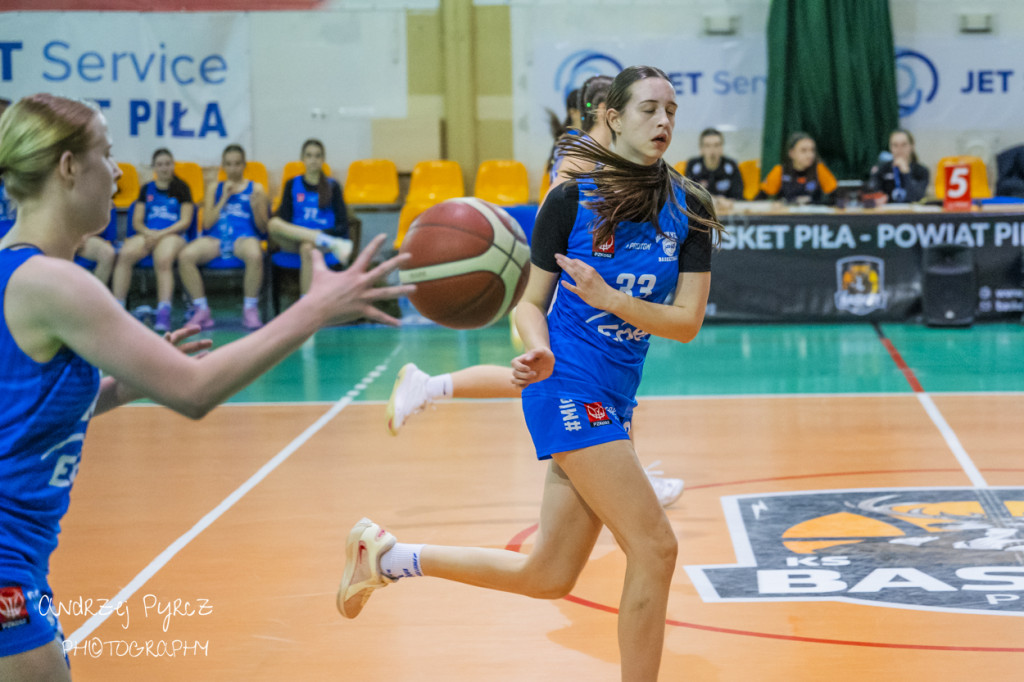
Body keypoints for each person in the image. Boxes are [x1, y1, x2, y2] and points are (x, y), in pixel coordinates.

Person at [0, 93, 411, 681]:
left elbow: (24, 411)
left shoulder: (14, 268)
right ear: (68, 167)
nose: (119, 173)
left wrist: (128, 384)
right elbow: (194, 392)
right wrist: (314, 311)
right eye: (107, 154)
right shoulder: (56, 283)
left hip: (23, 562)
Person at [341, 66, 722, 682]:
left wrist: (612, 299)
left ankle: (390, 558)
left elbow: (686, 322)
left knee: (547, 574)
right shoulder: (569, 198)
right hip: (567, 383)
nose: (664, 122)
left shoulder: (692, 207)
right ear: (614, 118)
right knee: (655, 547)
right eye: (649, 109)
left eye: (672, 110)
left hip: (618, 393)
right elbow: (528, 302)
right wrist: (536, 344)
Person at [386, 74, 685, 507]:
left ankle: (430, 385)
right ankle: (633, 480)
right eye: (642, 108)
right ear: (609, 114)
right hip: (566, 298)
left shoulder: (592, 152)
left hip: (574, 295)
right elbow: (562, 213)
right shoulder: (581, 159)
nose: (655, 118)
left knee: (548, 382)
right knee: (576, 384)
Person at [177, 144, 268, 330]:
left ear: (244, 165)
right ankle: (201, 310)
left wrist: (256, 207)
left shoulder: (256, 188)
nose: (233, 169)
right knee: (185, 256)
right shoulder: (214, 188)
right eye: (229, 164)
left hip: (243, 238)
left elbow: (264, 229)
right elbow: (208, 223)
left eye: (237, 164)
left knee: (255, 254)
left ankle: (250, 309)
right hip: (216, 239)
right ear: (223, 166)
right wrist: (223, 199)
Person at [109, 148, 195, 332]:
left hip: (174, 235)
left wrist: (160, 234)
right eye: (160, 164)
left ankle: (164, 312)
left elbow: (185, 221)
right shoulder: (146, 189)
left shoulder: (182, 188)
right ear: (154, 167)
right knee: (125, 253)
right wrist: (149, 233)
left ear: (173, 165)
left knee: (163, 258)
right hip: (149, 234)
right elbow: (137, 221)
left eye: (167, 164)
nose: (164, 168)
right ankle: (118, 308)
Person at [267, 138, 353, 296]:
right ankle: (321, 239)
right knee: (273, 223)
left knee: (307, 247)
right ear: (302, 158)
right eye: (309, 155)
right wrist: (303, 235)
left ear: (323, 160)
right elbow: (285, 220)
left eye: (317, 156)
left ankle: (305, 304)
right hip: (297, 238)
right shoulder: (292, 184)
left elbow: (342, 225)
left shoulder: (333, 186)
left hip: (325, 242)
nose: (313, 160)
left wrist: (318, 237)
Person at [759, 131, 837, 205]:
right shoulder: (780, 171)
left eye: (812, 150)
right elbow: (761, 199)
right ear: (792, 153)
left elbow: (835, 197)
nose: (810, 155)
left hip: (813, 217)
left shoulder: (819, 169)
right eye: (803, 151)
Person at [684, 128, 745, 210]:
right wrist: (715, 201)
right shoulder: (693, 165)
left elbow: (738, 196)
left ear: (721, 148)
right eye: (707, 146)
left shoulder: (731, 165)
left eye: (716, 145)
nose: (712, 151)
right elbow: (688, 195)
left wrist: (729, 202)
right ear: (701, 149)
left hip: (727, 213)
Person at [864, 128, 929, 204]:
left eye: (904, 145)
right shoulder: (882, 169)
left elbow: (917, 197)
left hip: (911, 214)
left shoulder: (921, 171)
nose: (899, 149)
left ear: (911, 146)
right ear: (890, 147)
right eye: (895, 145)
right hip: (887, 213)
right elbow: (872, 195)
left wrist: (906, 173)